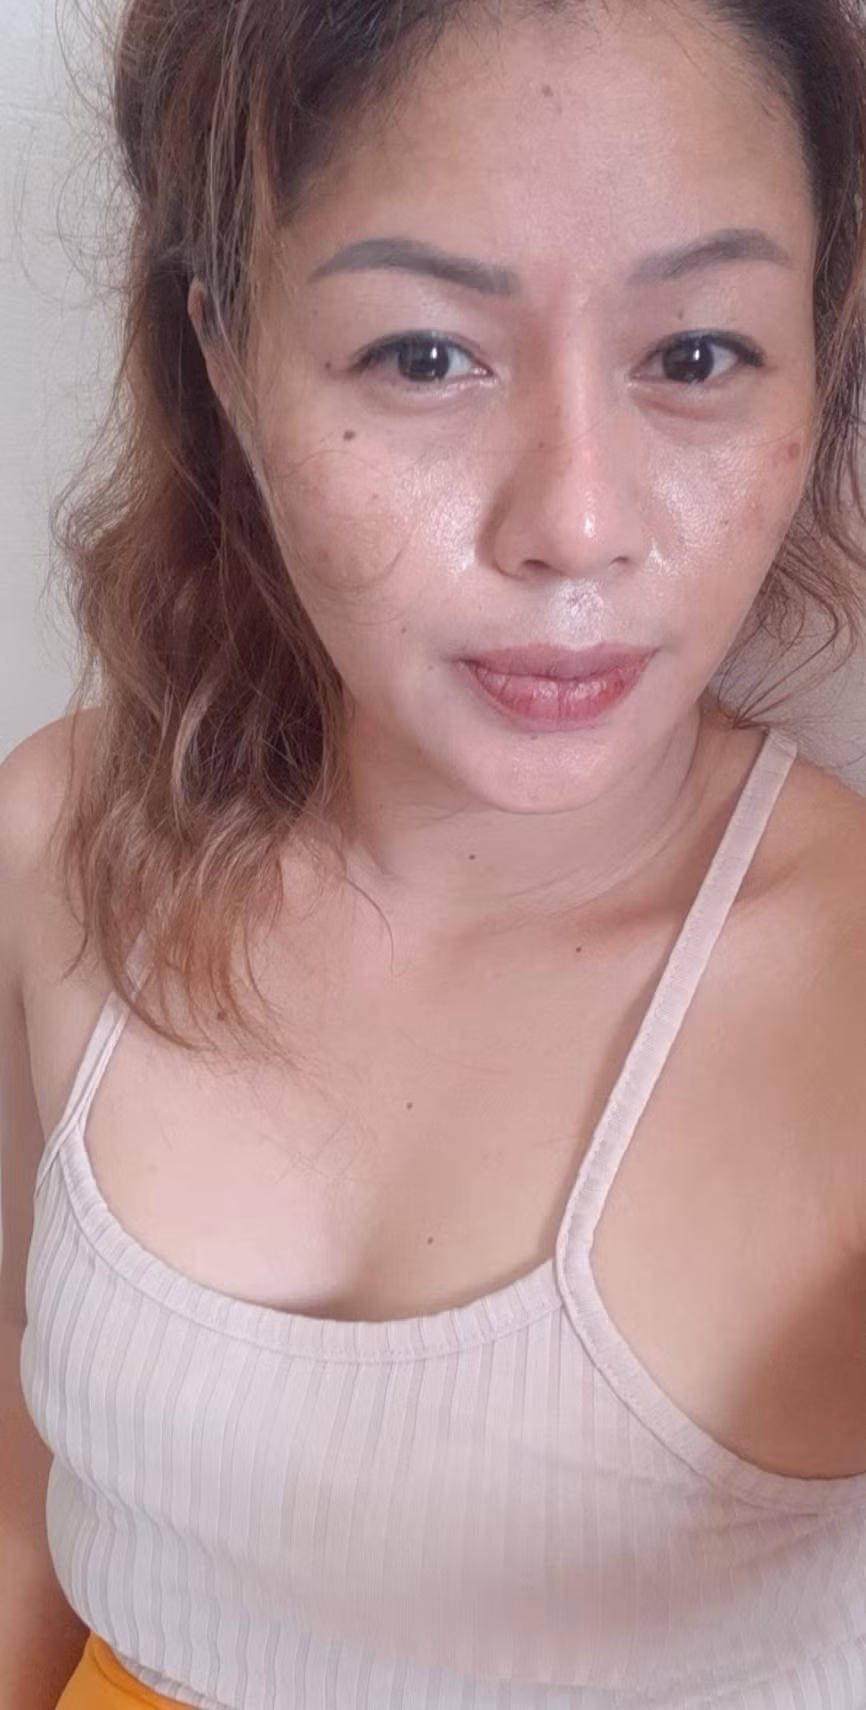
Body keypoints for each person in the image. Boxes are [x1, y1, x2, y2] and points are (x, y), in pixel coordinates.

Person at [4, 0, 866, 1703]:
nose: (576, 524)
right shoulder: (61, 836)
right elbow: (19, 1497)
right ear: (226, 360)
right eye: (422, 355)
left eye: (696, 355)